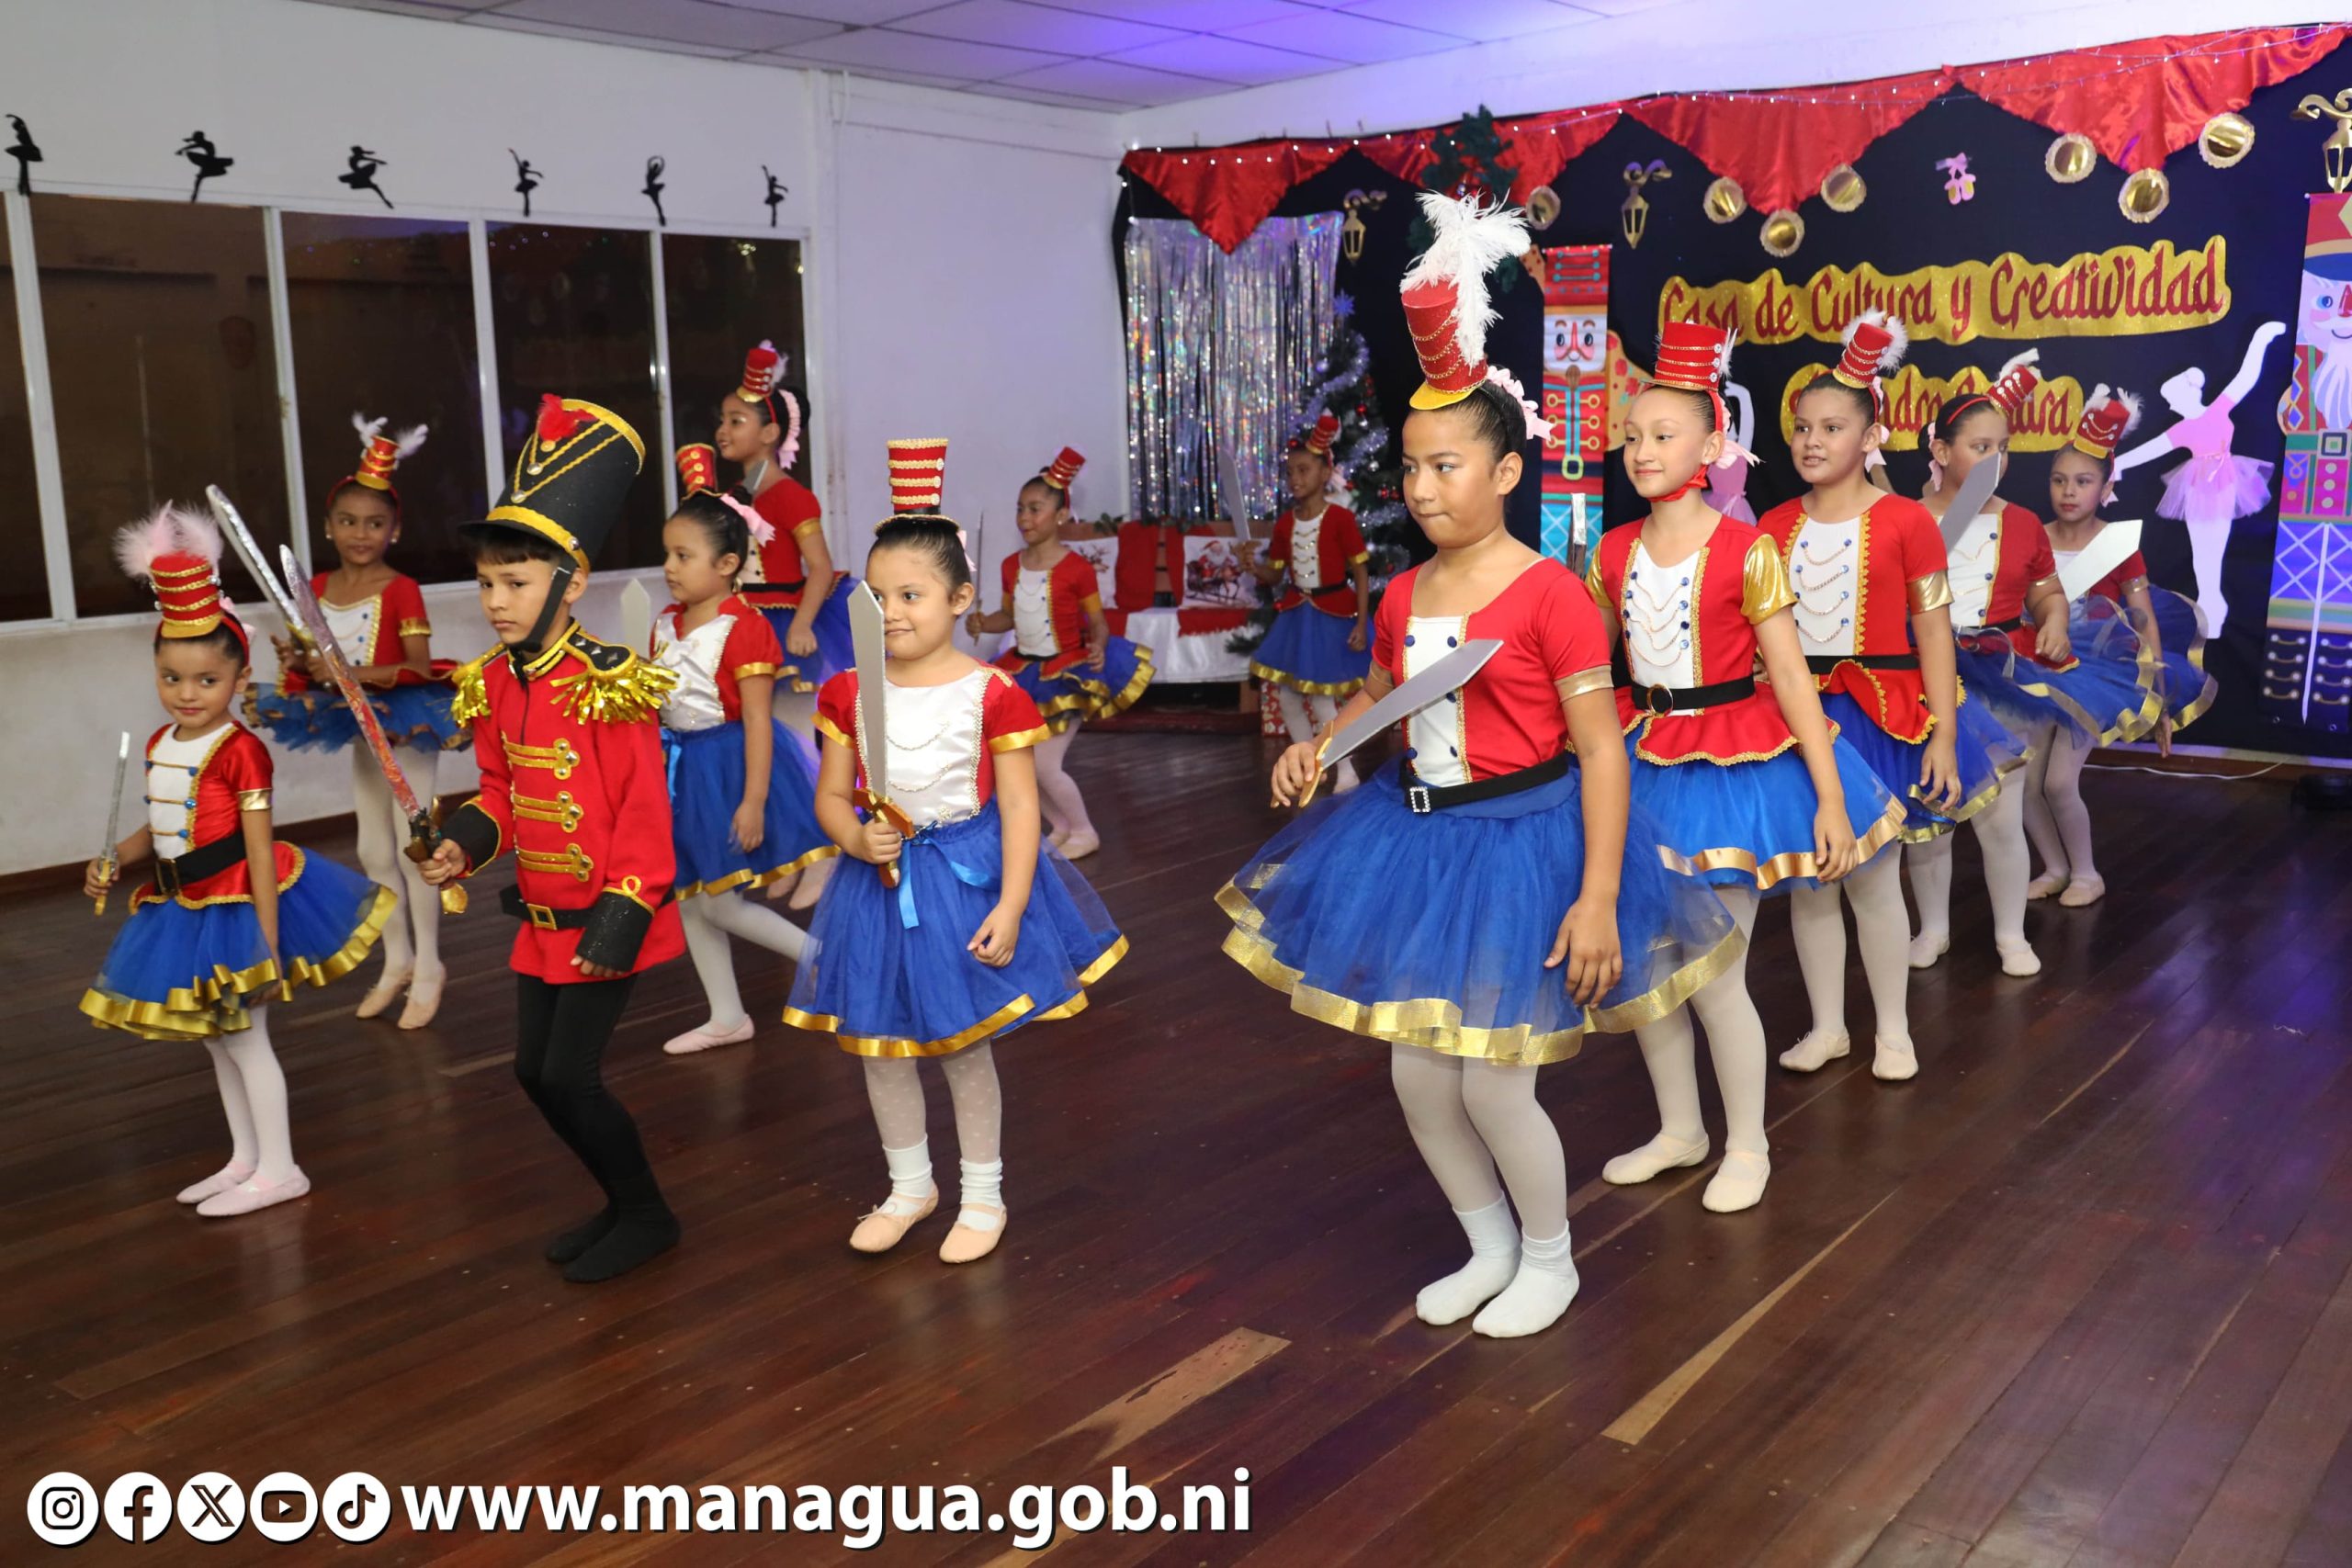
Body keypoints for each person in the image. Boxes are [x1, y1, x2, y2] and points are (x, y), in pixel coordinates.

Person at [1217, 196, 1739, 1337]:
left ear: (1504, 472)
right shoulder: (1403, 592)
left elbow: (1600, 752)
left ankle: (1551, 1258)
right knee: (1418, 1077)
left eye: (1445, 466)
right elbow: (1383, 694)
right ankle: (1488, 1242)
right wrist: (1319, 744)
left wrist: (1595, 897)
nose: (1419, 487)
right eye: (1411, 467)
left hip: (1524, 847)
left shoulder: (1551, 594)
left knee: (1497, 1080)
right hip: (1419, 840)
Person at [786, 439, 1125, 1266]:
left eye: (912, 594)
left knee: (964, 1047)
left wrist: (1011, 902)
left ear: (961, 597)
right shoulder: (847, 690)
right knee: (879, 1046)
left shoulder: (991, 691)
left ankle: (981, 1194)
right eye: (878, 596)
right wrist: (851, 835)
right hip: (874, 884)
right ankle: (910, 1186)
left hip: (963, 882)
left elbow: (1020, 806)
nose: (893, 612)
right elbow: (830, 796)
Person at [1595, 319, 1904, 1213]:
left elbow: (1794, 681)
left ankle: (1746, 1144)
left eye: (1663, 435)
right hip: (1643, 762)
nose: (1642, 451)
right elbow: (1585, 671)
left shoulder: (1746, 549)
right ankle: (1679, 1129)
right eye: (1632, 435)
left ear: (1710, 447)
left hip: (1733, 768)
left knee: (1714, 970)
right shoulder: (1612, 550)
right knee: (1650, 966)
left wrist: (1830, 798)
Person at [419, 395, 687, 1284]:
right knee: (534, 1074)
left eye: (517, 582)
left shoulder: (609, 682)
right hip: (542, 918)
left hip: (611, 915)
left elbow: (645, 820)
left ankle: (647, 1214)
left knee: (571, 1075)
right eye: (486, 584)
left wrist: (618, 923)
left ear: (570, 583)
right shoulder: (493, 681)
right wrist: (462, 844)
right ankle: (620, 1201)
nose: (496, 601)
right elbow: (500, 790)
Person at [82, 507, 392, 1215]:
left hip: (236, 909)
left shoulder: (241, 750)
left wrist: (268, 941)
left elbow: (257, 847)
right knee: (217, 1042)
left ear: (238, 675)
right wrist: (116, 857)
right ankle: (244, 1158)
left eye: (205, 680)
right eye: (171, 677)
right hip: (180, 906)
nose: (186, 693)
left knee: (247, 1041)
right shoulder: (162, 742)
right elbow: (162, 827)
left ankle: (281, 1168)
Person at [1758, 313, 2022, 1081]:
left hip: (1881, 714)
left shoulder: (1907, 520)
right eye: (1802, 427)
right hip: (1799, 718)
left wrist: (1943, 732)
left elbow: (1933, 632)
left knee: (1874, 877)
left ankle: (1894, 1031)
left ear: (1869, 436)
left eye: (1832, 427)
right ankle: (1827, 1026)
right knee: (1813, 881)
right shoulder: (1772, 525)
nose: (1811, 441)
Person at [1912, 357, 2157, 974]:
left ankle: (2010, 935)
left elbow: (2047, 591)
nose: (1994, 460)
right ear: (1940, 450)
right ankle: (1933, 928)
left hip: (2002, 676)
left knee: (2002, 813)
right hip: (1925, 678)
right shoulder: (1908, 519)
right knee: (1934, 814)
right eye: (1979, 447)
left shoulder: (2021, 523)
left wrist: (2053, 618)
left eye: (2002, 448)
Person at [247, 415, 463, 1028]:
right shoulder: (314, 587)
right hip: (356, 720)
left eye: (374, 523)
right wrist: (299, 665)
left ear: (395, 530)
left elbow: (415, 665)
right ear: (328, 526)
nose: (360, 533)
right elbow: (312, 670)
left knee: (413, 846)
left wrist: (344, 668)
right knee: (371, 847)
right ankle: (397, 959)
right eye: (348, 521)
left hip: (407, 722)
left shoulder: (402, 588)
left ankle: (430, 965)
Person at [653, 446, 837, 1055]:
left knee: (721, 904)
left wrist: (754, 800)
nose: (670, 567)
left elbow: (759, 720)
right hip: (680, 771)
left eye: (684, 556)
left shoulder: (743, 626)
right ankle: (727, 1014)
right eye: (667, 554)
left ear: (729, 563)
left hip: (727, 771)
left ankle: (822, 957)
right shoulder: (665, 624)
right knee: (693, 901)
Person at [2034, 387, 2214, 905]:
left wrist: (2156, 693)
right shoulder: (2034, 537)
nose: (2069, 492)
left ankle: (2087, 873)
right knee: (2023, 784)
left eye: (2083, 481)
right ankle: (2055, 867)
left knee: (2058, 783)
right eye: (2059, 480)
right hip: (2035, 665)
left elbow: (2144, 619)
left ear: (2106, 486)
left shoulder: (2117, 546)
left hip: (2096, 674)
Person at [963, 447, 1153, 861]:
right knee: (1020, 764)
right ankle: (1062, 827)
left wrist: (1098, 644)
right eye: (1020, 509)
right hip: (1024, 671)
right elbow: (1009, 616)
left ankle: (1085, 830)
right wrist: (982, 623)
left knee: (1045, 765)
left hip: (1068, 674)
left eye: (1035, 509)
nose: (1024, 518)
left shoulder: (1077, 569)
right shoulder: (1011, 565)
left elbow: (1097, 622)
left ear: (1061, 515)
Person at [1248, 412, 1372, 793]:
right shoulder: (1285, 523)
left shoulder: (1340, 519)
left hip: (1333, 614)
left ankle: (1345, 770)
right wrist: (1251, 565)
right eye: (1290, 473)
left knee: (1322, 701)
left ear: (1324, 473)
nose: (1295, 479)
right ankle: (1308, 766)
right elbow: (1275, 575)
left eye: (1303, 470)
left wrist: (1361, 623)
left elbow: (1361, 573)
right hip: (1297, 616)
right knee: (1287, 697)